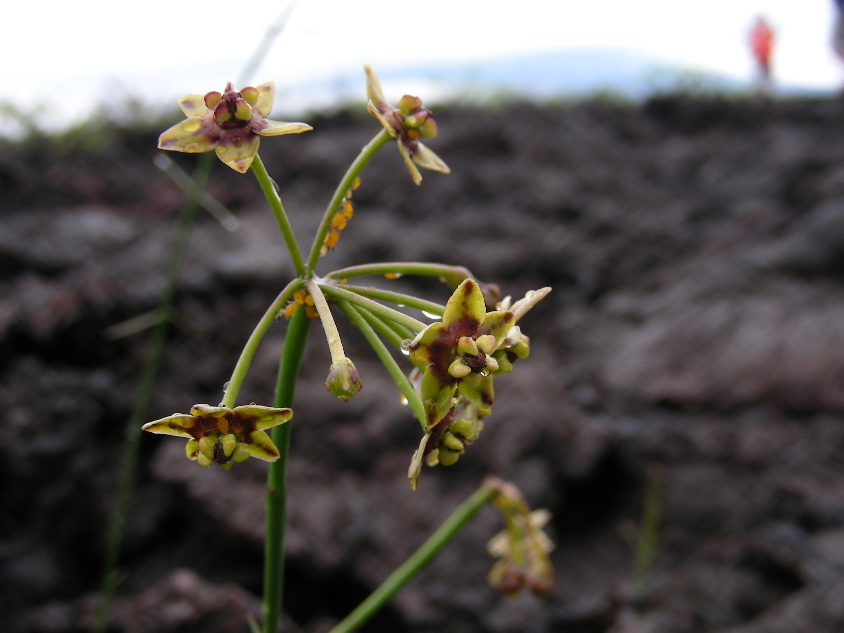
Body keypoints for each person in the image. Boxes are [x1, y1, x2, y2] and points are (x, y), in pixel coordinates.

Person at [750, 16, 775, 89]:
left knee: (765, 77)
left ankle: (764, 92)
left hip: (765, 58)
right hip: (761, 58)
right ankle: (760, 92)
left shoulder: (764, 32)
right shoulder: (758, 32)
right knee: (760, 77)